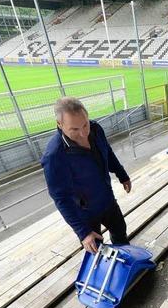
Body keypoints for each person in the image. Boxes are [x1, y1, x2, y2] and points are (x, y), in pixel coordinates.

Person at [42, 97, 132, 254]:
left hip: (107, 199)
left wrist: (122, 174)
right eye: (74, 129)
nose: (83, 133)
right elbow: (61, 198)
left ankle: (126, 265)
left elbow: (107, 153)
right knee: (96, 250)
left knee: (120, 233)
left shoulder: (96, 129)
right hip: (85, 212)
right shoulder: (54, 156)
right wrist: (83, 232)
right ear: (60, 125)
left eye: (85, 124)